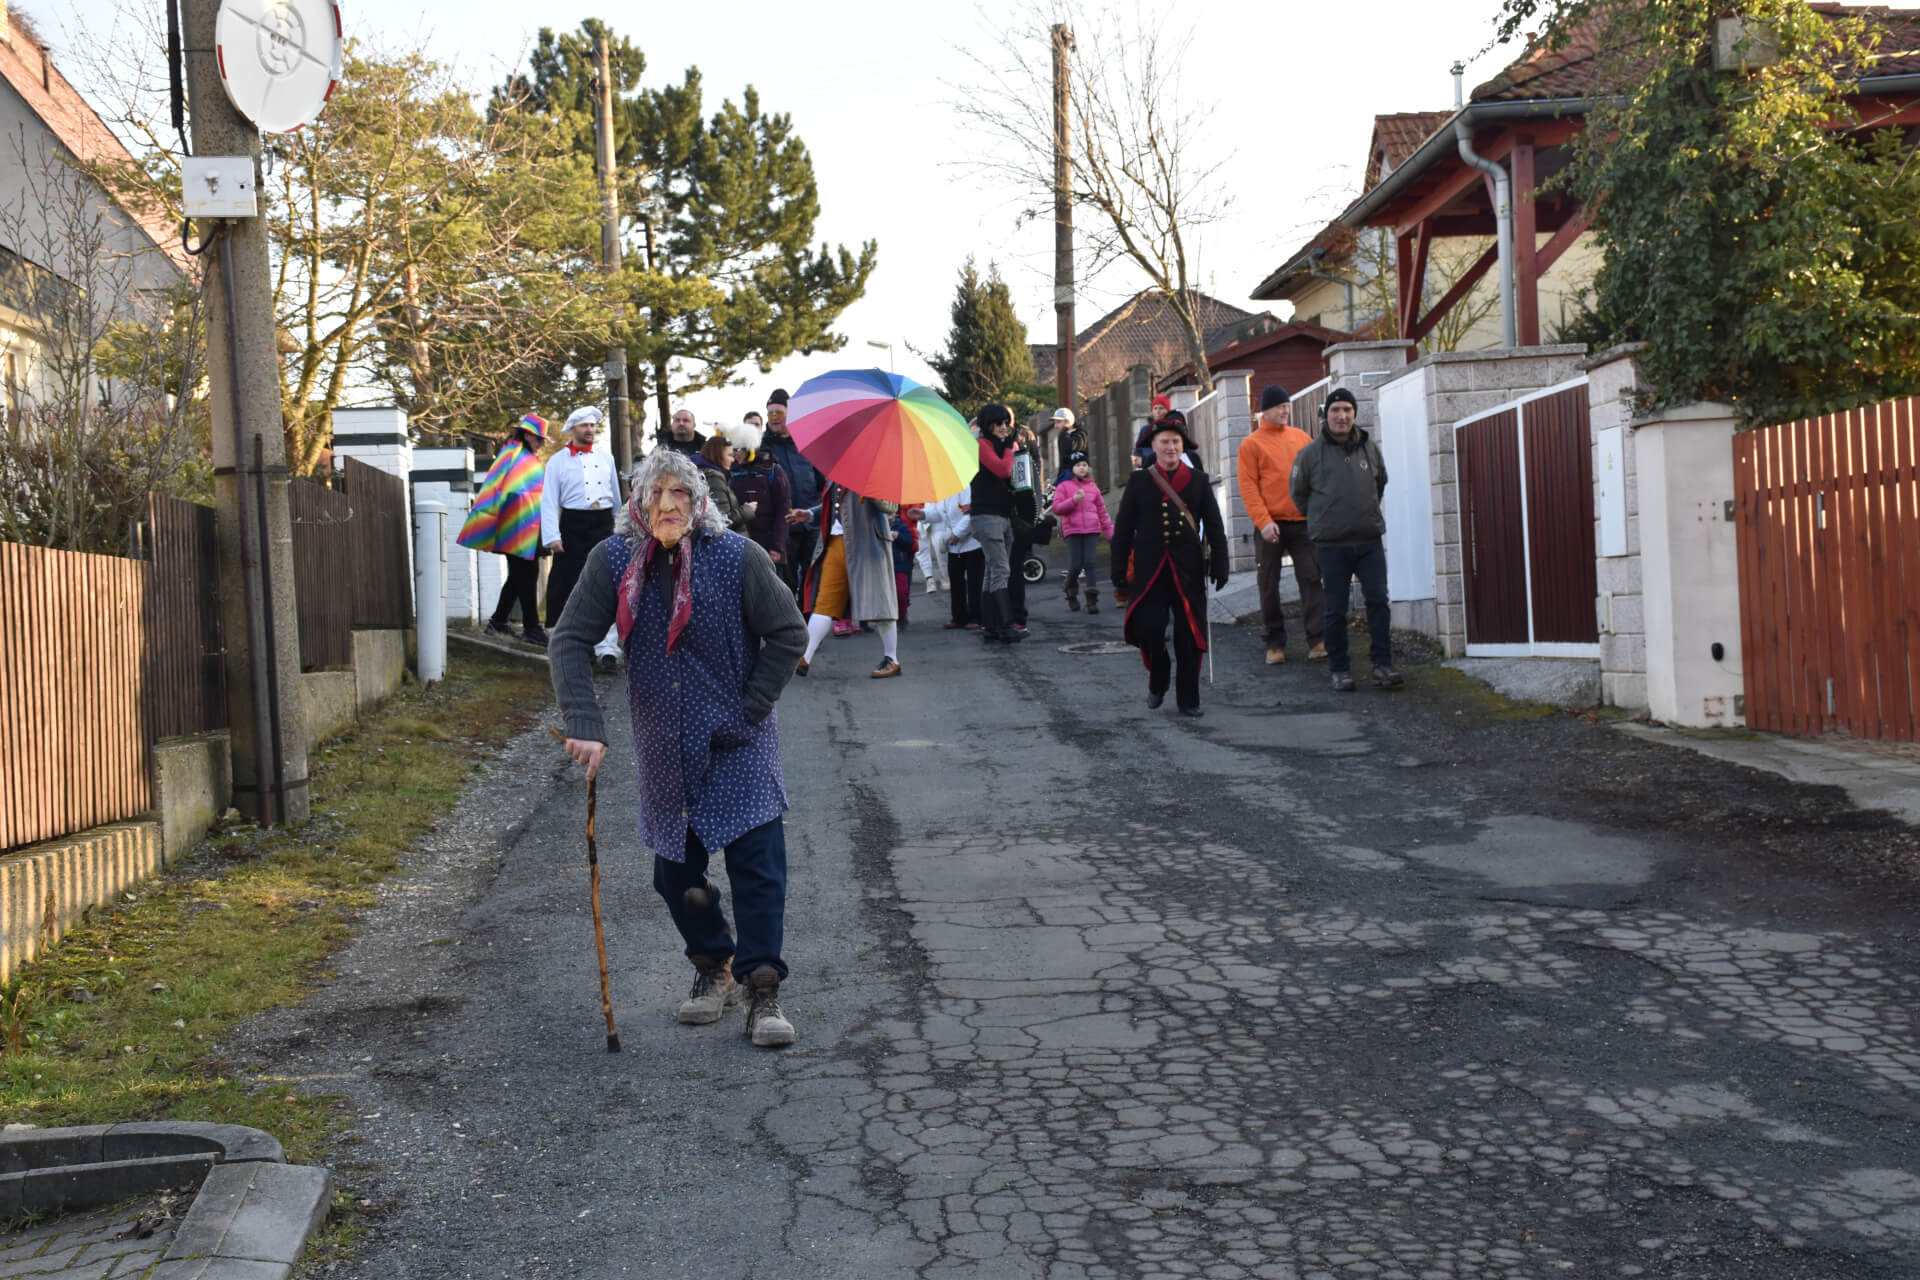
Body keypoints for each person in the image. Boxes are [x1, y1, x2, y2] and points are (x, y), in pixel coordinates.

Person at [549, 448, 807, 1048]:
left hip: (738, 743)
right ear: (637, 503)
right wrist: (584, 722)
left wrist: (748, 711)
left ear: (699, 502)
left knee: (758, 870)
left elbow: (788, 632)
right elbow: (569, 639)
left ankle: (762, 988)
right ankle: (714, 964)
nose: (667, 504)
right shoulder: (613, 559)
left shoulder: (736, 556)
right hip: (664, 746)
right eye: (655, 494)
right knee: (677, 877)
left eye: (680, 493)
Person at [1112, 413, 1229, 717]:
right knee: (1148, 628)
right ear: (1153, 445)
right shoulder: (1139, 481)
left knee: (1189, 635)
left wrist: (1221, 561)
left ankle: (1188, 699)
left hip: (1187, 568)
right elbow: (1123, 529)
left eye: (1176, 442)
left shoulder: (1199, 480)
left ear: (1183, 446)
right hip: (1150, 570)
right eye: (1164, 442)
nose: (1171, 447)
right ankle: (1159, 672)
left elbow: (1214, 525)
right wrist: (1118, 569)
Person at [1289, 386, 1402, 691]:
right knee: (1335, 609)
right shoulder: (1310, 454)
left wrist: (1362, 512)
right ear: (1326, 415)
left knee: (1378, 600)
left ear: (1354, 413)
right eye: (1336, 410)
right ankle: (1339, 669)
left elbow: (1380, 483)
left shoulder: (1369, 448)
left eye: (1347, 410)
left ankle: (1382, 665)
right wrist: (1322, 518)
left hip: (1368, 541)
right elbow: (1299, 494)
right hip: (1331, 544)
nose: (1341, 416)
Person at [1239, 384, 1326, 666]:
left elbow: (1317, 477)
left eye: (1286, 406)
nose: (1285, 410)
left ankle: (1318, 639)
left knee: (1311, 578)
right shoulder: (1251, 444)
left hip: (1302, 522)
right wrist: (1264, 522)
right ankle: (1274, 643)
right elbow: (1249, 488)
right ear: (1265, 410)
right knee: (1268, 584)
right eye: (1279, 406)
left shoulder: (1301, 438)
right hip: (1270, 524)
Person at [541, 407, 625, 671]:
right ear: (572, 429)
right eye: (584, 426)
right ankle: (568, 643)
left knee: (609, 583)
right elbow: (549, 500)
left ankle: (607, 648)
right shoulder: (557, 461)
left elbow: (616, 496)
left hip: (604, 523)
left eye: (592, 426)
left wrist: (621, 528)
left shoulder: (606, 457)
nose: (589, 430)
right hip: (573, 525)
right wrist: (552, 536)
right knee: (569, 583)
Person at [795, 481, 903, 678]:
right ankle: (805, 657)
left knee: (880, 601)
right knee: (825, 602)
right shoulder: (837, 471)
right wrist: (810, 514)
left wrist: (872, 491)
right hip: (836, 541)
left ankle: (892, 658)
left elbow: (891, 506)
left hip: (868, 543)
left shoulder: (875, 473)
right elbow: (834, 504)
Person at [460, 413, 549, 646]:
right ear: (528, 435)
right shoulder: (514, 453)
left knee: (522, 574)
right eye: (539, 438)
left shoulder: (523, 455)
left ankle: (499, 622)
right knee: (525, 573)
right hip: (516, 523)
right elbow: (501, 486)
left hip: (527, 522)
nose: (541, 443)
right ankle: (530, 627)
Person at [968, 404, 1026, 645]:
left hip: (1000, 514)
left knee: (993, 570)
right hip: (987, 516)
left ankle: (992, 626)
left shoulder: (1000, 446)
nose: (1004, 427)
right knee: (1001, 569)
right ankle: (1005, 625)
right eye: (998, 424)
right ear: (988, 425)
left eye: (1006, 423)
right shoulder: (982, 445)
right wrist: (1011, 449)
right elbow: (1002, 469)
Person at [763, 389, 823, 597]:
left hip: (811, 523)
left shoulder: (806, 443)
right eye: (770, 413)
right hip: (783, 527)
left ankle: (808, 617)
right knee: (786, 584)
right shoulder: (762, 448)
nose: (774, 418)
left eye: (778, 413)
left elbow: (821, 480)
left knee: (813, 579)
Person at [724, 418, 791, 568]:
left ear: (750, 449)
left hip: (768, 546)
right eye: (731, 449)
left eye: (737, 449)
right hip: (738, 545)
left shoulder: (772, 470)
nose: (734, 454)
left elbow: (783, 509)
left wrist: (777, 546)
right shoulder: (729, 471)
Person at [1051, 450, 1112, 613]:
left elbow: (1102, 512)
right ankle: (1070, 592)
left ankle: (1092, 601)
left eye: (1084, 464)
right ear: (1072, 468)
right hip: (1073, 530)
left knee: (1090, 563)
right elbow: (1056, 508)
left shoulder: (1093, 487)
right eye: (1078, 465)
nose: (1082, 468)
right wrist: (1073, 500)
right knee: (1076, 566)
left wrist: (1110, 533)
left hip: (1092, 530)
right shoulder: (1064, 486)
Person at [1007, 423, 1042, 631]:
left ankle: (1017, 616)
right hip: (1001, 517)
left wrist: (1031, 519)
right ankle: (1001, 616)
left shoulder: (1023, 457)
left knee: (1014, 568)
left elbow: (1031, 491)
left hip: (1020, 518)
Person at [935, 492, 983, 630]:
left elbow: (969, 514)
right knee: (956, 582)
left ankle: (976, 616)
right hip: (953, 545)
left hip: (972, 542)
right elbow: (938, 513)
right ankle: (958, 616)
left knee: (975, 582)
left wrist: (957, 533)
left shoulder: (964, 488)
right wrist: (923, 515)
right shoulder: (943, 491)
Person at [696, 436, 749, 533]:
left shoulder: (710, 474)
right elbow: (722, 520)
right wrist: (747, 510)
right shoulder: (713, 478)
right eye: (730, 455)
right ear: (717, 455)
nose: (733, 460)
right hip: (728, 539)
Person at [914, 496, 949, 593]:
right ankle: (929, 579)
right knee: (921, 549)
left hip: (935, 513)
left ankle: (945, 575)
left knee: (940, 547)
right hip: (916, 515)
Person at [889, 509, 916, 626]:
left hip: (899, 564)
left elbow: (909, 542)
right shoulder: (876, 524)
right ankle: (890, 617)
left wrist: (898, 535)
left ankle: (901, 616)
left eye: (890, 513)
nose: (888, 516)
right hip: (883, 566)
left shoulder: (900, 525)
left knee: (901, 592)